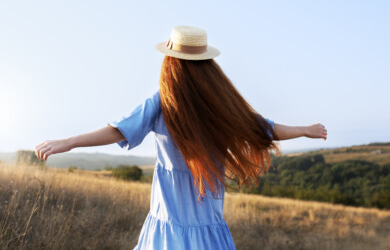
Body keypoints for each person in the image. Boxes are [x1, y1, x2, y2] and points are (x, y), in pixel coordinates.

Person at [35, 25, 327, 249]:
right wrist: (303, 130)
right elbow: (264, 128)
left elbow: (118, 129)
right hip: (206, 229)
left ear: (171, 63)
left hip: (170, 228)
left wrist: (68, 142)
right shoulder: (214, 103)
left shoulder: (164, 102)